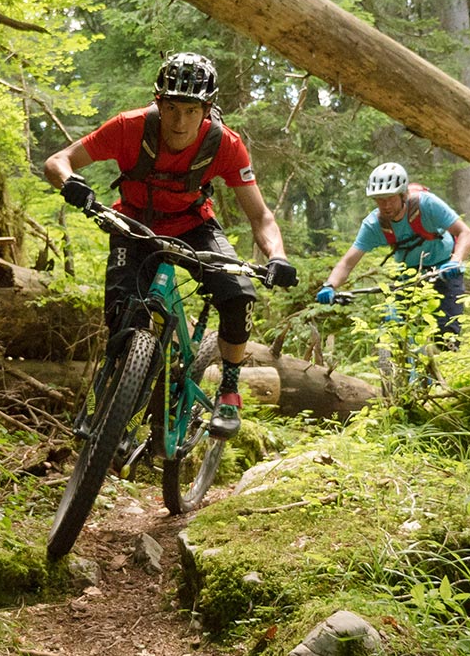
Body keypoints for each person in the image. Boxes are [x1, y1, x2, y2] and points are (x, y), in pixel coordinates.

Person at [43, 52, 297, 440]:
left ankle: (229, 391)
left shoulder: (225, 145)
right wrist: (71, 182)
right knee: (123, 314)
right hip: (133, 223)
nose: (180, 121)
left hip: (194, 225)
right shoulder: (129, 127)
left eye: (191, 110)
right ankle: (114, 411)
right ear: (158, 102)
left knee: (238, 294)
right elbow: (59, 161)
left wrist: (277, 257)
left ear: (207, 110)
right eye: (172, 107)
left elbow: (261, 217)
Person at [314, 162, 470, 346]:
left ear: (403, 194)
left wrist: (455, 261)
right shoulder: (374, 225)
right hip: (409, 276)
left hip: (445, 270)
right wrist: (330, 285)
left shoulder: (427, 205)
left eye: (390, 198)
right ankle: (397, 369)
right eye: (380, 199)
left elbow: (466, 233)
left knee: (446, 335)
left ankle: (443, 367)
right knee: (394, 325)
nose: (386, 205)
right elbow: (347, 263)